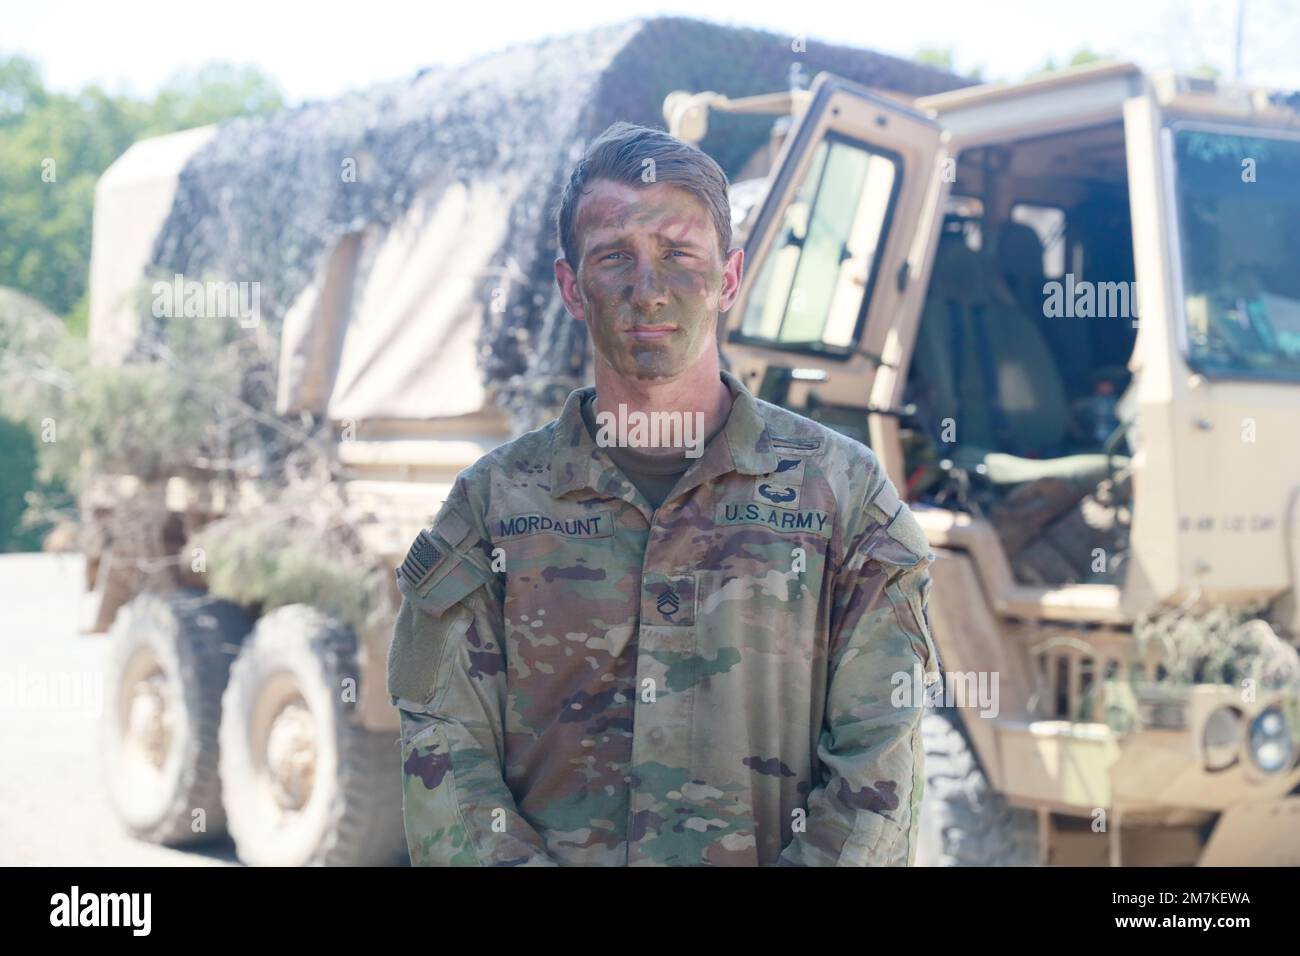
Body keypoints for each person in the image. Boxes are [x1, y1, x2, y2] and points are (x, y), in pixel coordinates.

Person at [387, 120, 941, 866]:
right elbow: (444, 752)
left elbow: (880, 765)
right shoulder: (494, 508)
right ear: (570, 287)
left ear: (730, 278)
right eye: (615, 257)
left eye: (679, 256)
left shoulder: (842, 496)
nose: (648, 292)